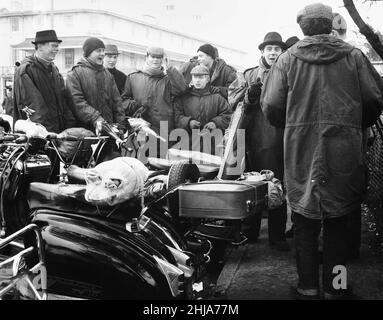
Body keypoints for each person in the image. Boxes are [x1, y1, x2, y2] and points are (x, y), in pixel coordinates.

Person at [261, 3, 383, 299]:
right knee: (339, 221)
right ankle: (336, 287)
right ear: (329, 25)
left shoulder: (288, 58)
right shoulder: (353, 56)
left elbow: (272, 106)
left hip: (300, 147)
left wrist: (292, 125)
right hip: (344, 146)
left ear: (302, 26)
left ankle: (307, 287)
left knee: (303, 220)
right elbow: (374, 99)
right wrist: (354, 125)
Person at [228, 32, 289, 251]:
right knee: (251, 184)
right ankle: (250, 232)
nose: (273, 53)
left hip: (278, 136)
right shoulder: (248, 74)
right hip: (252, 136)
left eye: (277, 49)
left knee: (277, 185)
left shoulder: (288, 72)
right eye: (269, 49)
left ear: (282, 52)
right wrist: (249, 96)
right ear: (262, 52)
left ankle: (277, 236)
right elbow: (232, 100)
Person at [66, 37, 128, 161]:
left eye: (103, 50)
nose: (102, 54)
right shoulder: (75, 74)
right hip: (85, 135)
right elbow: (77, 102)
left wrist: (121, 125)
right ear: (88, 53)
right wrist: (95, 118)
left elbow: (117, 103)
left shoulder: (107, 75)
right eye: (98, 50)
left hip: (108, 134)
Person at [121, 46, 188, 156]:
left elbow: (182, 89)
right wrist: (137, 104)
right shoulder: (133, 78)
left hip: (163, 127)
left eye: (159, 57)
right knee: (140, 158)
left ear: (163, 59)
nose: (156, 60)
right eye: (153, 57)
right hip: (141, 126)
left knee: (160, 161)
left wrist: (170, 68)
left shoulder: (168, 79)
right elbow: (123, 101)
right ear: (146, 57)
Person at [13, 30, 78, 133]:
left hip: (57, 135)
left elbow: (64, 103)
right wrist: (48, 135)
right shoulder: (26, 71)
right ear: (40, 47)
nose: (57, 49)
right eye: (53, 46)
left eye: (57, 46)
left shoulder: (54, 71)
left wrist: (69, 128)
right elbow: (34, 109)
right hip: (39, 137)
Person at [175, 64, 232, 154]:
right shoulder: (183, 98)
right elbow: (177, 116)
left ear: (207, 79)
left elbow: (227, 115)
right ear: (191, 79)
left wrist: (215, 123)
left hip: (211, 146)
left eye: (201, 77)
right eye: (195, 77)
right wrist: (188, 122)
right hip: (188, 144)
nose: (197, 80)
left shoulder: (217, 98)